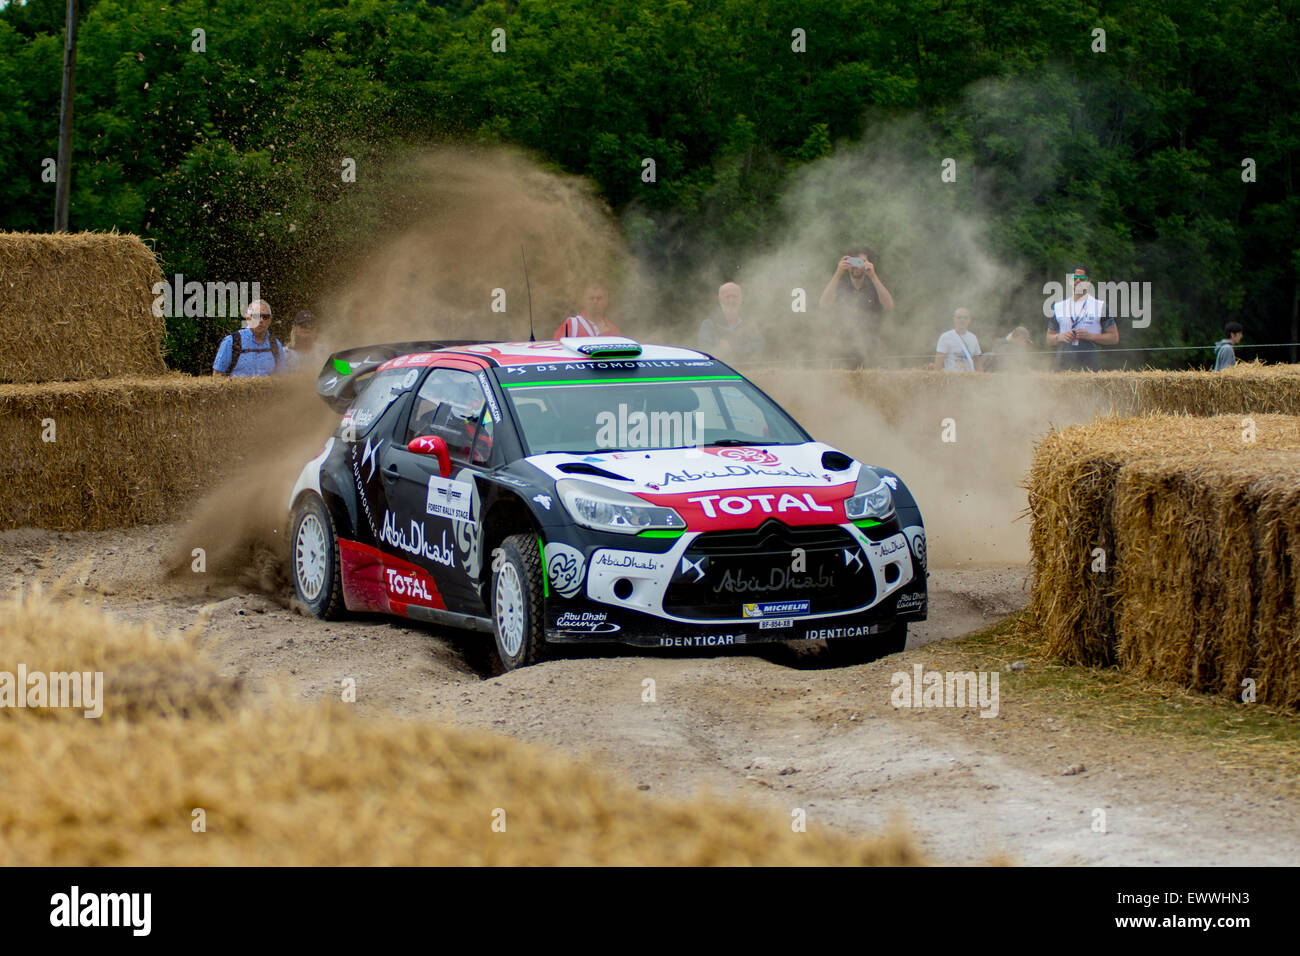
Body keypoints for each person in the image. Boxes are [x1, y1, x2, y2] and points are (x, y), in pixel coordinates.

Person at [817, 244, 895, 364]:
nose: (856, 266)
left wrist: (873, 276)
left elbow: (889, 306)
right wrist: (838, 273)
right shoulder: (840, 284)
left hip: (871, 349)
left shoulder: (876, 284)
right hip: (843, 350)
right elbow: (823, 304)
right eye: (852, 261)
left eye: (861, 262)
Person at [1046, 266, 1117, 371]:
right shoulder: (1058, 307)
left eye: (1082, 278)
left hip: (1088, 364)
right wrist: (1059, 337)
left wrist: (1090, 336)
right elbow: (1049, 339)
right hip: (1062, 364)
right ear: (1070, 281)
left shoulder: (1100, 306)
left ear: (1088, 282)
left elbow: (1114, 337)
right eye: (1075, 278)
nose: (1078, 280)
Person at [697, 281, 767, 363]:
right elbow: (706, 352)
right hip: (720, 373)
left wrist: (731, 348)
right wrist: (744, 349)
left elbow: (759, 347)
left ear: (741, 299)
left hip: (748, 371)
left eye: (735, 296)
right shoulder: (709, 324)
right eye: (727, 297)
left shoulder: (748, 323)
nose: (731, 300)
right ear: (720, 299)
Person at [212, 300, 284, 377]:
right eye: (256, 316)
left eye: (265, 317)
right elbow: (217, 376)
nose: (261, 320)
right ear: (248, 318)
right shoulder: (231, 341)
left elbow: (282, 377)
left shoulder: (275, 344)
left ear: (270, 319)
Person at [553, 284, 620, 339]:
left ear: (606, 301)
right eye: (591, 298)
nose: (595, 301)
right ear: (583, 301)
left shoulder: (613, 330)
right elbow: (558, 349)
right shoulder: (571, 325)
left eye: (599, 298)